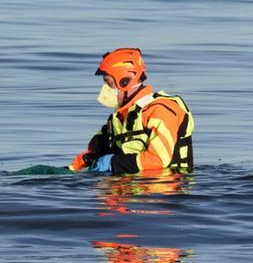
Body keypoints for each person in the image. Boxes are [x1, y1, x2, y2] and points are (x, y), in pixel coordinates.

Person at [68, 47, 194, 175]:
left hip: (167, 185)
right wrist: (70, 170)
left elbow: (158, 160)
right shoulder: (119, 118)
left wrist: (112, 163)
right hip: (132, 185)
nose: (104, 89)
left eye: (108, 83)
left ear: (124, 81)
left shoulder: (161, 110)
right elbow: (92, 154)